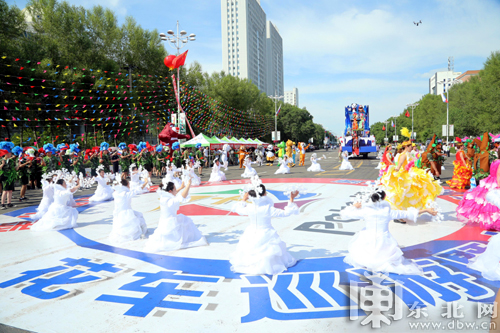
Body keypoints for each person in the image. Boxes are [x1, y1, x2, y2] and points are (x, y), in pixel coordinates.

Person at [340, 189, 437, 275]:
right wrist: (425, 210)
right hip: (384, 241)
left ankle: (370, 261)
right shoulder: (388, 212)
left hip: (367, 239)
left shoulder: (365, 211)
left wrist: (354, 206)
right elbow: (406, 213)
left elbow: (345, 214)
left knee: (361, 254)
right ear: (384, 197)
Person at [230, 179, 299, 275]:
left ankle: (253, 264)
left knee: (250, 249)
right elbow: (286, 213)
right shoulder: (268, 208)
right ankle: (267, 266)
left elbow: (238, 209)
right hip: (266, 233)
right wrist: (291, 199)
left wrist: (243, 199)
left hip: (251, 233)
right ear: (264, 194)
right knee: (268, 252)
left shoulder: (249, 207)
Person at [145, 178, 208, 252]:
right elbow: (182, 197)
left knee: (182, 219)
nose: (176, 190)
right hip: (171, 225)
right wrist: (188, 185)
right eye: (175, 188)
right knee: (185, 220)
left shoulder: (164, 197)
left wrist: (181, 188)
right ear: (170, 191)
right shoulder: (170, 201)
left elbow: (173, 193)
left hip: (163, 224)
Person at [380, 139, 443, 212]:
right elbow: (399, 165)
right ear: (406, 147)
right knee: (403, 194)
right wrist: (395, 171)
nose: (412, 148)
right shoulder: (403, 155)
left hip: (409, 174)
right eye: (410, 147)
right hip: (405, 176)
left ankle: (407, 211)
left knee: (411, 193)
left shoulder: (407, 154)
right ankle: (400, 212)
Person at [456, 159, 500, 230]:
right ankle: (493, 222)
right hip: (496, 182)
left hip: (490, 180)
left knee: (485, 204)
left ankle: (488, 221)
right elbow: (498, 174)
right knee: (493, 204)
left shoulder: (494, 160)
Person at [109, 177, 148, 243]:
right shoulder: (126, 194)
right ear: (126, 185)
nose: (129, 186)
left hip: (119, 214)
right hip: (127, 214)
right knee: (138, 220)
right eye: (128, 185)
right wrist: (145, 183)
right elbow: (137, 190)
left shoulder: (116, 194)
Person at [0, 141, 17, 209]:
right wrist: (2, 164)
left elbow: (15, 169)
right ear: (6, 153)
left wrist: (18, 165)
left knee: (10, 190)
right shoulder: (1, 160)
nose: (10, 154)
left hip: (11, 177)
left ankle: (9, 203)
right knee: (5, 191)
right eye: (9, 153)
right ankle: (2, 204)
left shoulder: (11, 161)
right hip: (5, 177)